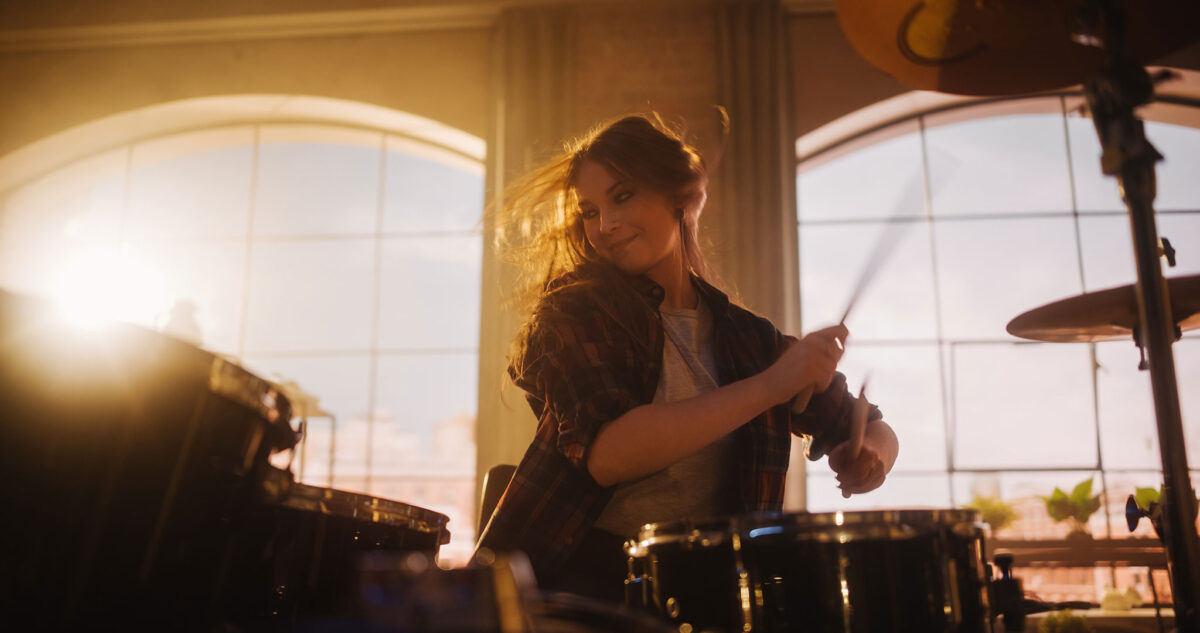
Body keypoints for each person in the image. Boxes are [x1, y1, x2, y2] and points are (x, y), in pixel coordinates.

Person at [476, 113, 899, 602]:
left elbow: (874, 431)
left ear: (680, 196)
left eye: (622, 195)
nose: (606, 225)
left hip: (711, 590)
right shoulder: (573, 310)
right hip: (576, 590)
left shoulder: (749, 339)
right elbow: (609, 454)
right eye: (589, 211)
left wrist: (869, 458)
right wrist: (772, 386)